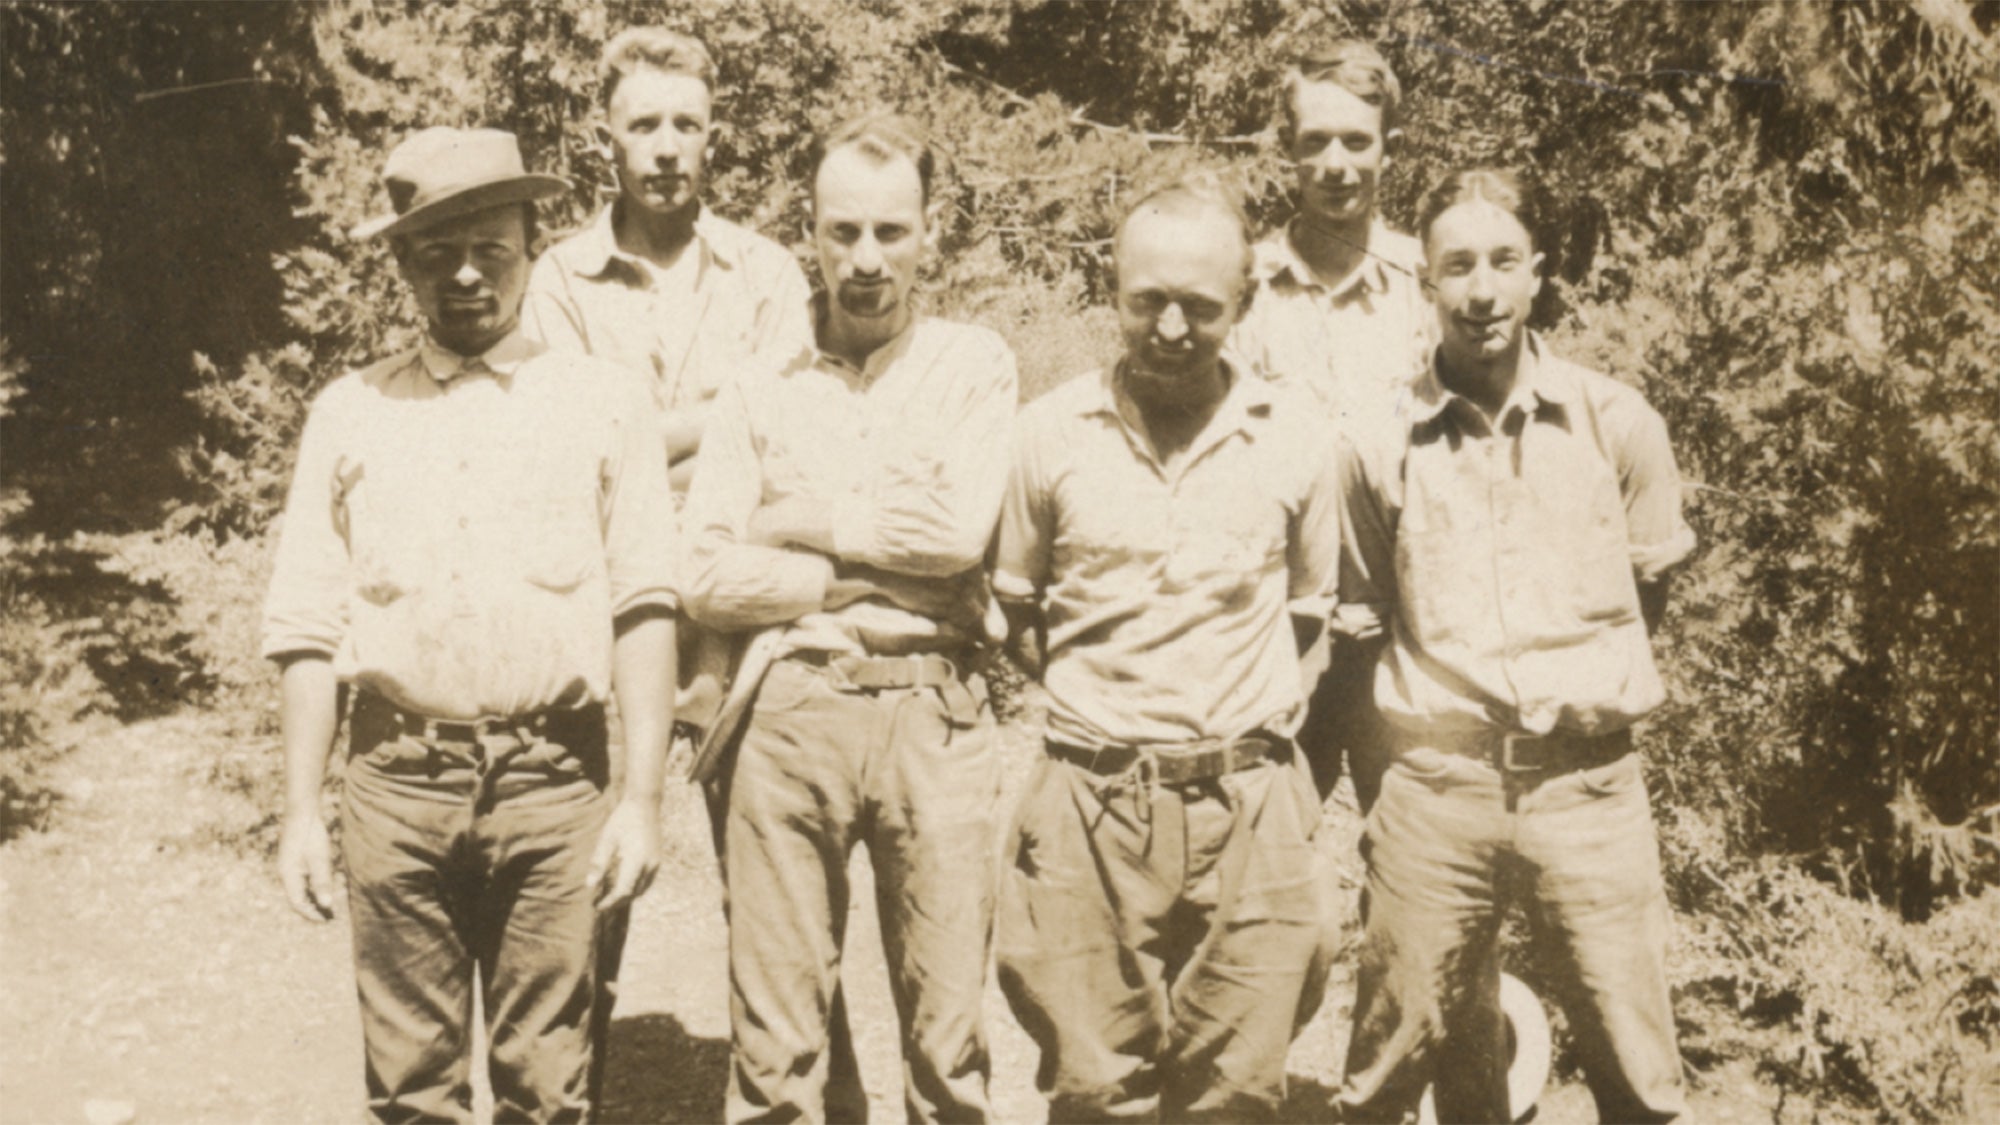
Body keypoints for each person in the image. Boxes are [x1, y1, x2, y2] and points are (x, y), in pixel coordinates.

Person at [264, 126, 678, 1122]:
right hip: (394, 785)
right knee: (410, 1088)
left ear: (533, 248)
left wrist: (641, 798)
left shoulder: (602, 404)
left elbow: (645, 606)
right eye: (435, 253)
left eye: (490, 249)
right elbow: (307, 628)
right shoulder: (349, 413)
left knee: (547, 1083)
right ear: (400, 264)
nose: (464, 276)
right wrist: (301, 811)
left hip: (553, 784)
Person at [518, 30, 858, 1113]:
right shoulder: (556, 280)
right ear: (604, 139)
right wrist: (708, 424)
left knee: (780, 900)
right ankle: (572, 1098)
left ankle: (825, 1098)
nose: (666, 148)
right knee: (586, 892)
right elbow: (564, 445)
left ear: (713, 135)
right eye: (642, 125)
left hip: (734, 620)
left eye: (686, 124)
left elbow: (782, 435)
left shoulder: (762, 272)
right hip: (602, 617)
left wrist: (641, 431)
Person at [1334, 168, 1695, 1124]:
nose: (1481, 290)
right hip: (1438, 792)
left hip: (1589, 790)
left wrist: (1576, 701)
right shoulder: (1377, 440)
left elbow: (1648, 586)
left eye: (1503, 262)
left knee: (1637, 1064)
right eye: (1457, 265)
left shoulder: (1617, 424)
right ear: (1426, 281)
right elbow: (1370, 606)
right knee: (1383, 1064)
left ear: (1538, 274)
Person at [679, 112, 1017, 1124]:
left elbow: (958, 533)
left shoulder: (974, 364)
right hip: (789, 714)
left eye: (890, 232)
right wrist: (845, 584)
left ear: (930, 232)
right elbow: (700, 573)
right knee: (777, 1056)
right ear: (807, 233)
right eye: (841, 232)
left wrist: (795, 522)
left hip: (934, 719)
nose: (865, 260)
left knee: (948, 1045)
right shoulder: (754, 387)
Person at [992, 176, 1340, 1123]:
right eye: (1149, 300)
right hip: (1089, 804)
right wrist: (1115, 716)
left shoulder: (1299, 438)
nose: (1173, 326)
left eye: (1201, 304)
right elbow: (1019, 610)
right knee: (1096, 1088)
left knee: (1237, 1092)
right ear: (1115, 291)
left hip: (1252, 803)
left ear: (1246, 301)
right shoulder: (1048, 432)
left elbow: (1309, 612)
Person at [1230, 39, 1433, 807]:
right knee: (1268, 864)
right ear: (1288, 149)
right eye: (1315, 142)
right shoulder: (1244, 283)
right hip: (1281, 631)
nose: (1337, 164)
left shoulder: (1428, 282)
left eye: (1357, 140)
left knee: (1415, 872)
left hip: (1406, 634)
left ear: (1390, 147)